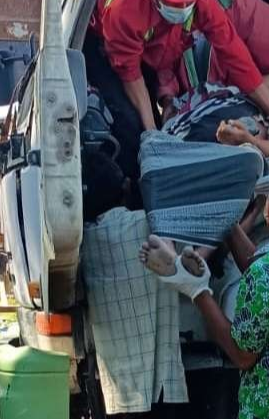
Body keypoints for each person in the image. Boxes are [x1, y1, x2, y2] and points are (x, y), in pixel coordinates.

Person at [89, 0, 269, 182]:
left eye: (188, 1)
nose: (184, 8)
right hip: (110, 54)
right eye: (175, 2)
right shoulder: (123, 10)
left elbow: (235, 54)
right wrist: (152, 134)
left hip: (157, 55)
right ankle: (134, 191)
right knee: (131, 128)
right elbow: (130, 74)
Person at [141, 167, 269, 419]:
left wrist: (197, 290)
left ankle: (179, 266)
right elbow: (261, 266)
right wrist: (229, 224)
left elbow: (242, 355)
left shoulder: (267, 271)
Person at [79, 149, 187, 417]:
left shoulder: (85, 244)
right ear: (126, 187)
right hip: (165, 384)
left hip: (120, 392)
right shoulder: (155, 228)